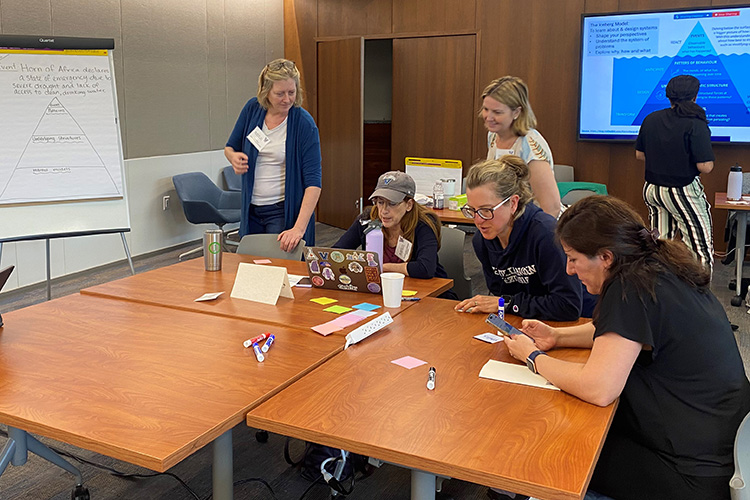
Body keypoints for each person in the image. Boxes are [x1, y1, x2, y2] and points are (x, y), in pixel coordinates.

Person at [505, 195, 750, 500]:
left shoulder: (628, 287)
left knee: (555, 449)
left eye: (573, 258)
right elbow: (621, 332)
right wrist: (557, 337)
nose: (569, 269)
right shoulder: (657, 265)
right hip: (724, 447)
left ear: (605, 257)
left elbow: (599, 388)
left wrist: (532, 356)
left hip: (691, 475)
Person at [454, 156, 594, 321]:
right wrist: (507, 304)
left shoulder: (546, 234)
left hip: (580, 324)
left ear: (513, 203)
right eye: (472, 210)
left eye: (486, 210)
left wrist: (506, 303)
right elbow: (502, 295)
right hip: (529, 320)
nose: (478, 220)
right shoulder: (482, 240)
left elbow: (568, 306)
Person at [225, 59, 322, 252]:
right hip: (251, 210)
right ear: (266, 92)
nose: (286, 99)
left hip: (281, 212)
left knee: (277, 269)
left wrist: (298, 229)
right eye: (279, 93)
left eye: (291, 92)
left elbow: (314, 183)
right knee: (251, 267)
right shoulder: (253, 109)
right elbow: (230, 147)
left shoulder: (304, 124)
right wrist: (233, 158)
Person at [636, 74, 714, 274]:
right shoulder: (696, 123)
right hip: (683, 190)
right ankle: (700, 299)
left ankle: (659, 291)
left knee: (659, 245)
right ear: (695, 97)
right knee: (699, 247)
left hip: (652, 189)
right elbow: (705, 166)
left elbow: (640, 155)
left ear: (668, 96)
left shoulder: (651, 118)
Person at [334, 171, 456, 299]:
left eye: (392, 203)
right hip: (383, 293)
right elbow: (336, 253)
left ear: (409, 205)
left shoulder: (423, 225)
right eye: (380, 202)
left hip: (429, 297)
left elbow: (425, 268)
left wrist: (382, 268)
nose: (384, 211)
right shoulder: (367, 220)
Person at [480, 76, 561, 217]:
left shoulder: (530, 145)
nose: (489, 117)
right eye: (486, 109)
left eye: (497, 112)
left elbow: (551, 208)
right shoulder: (493, 135)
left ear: (517, 112)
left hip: (534, 224)